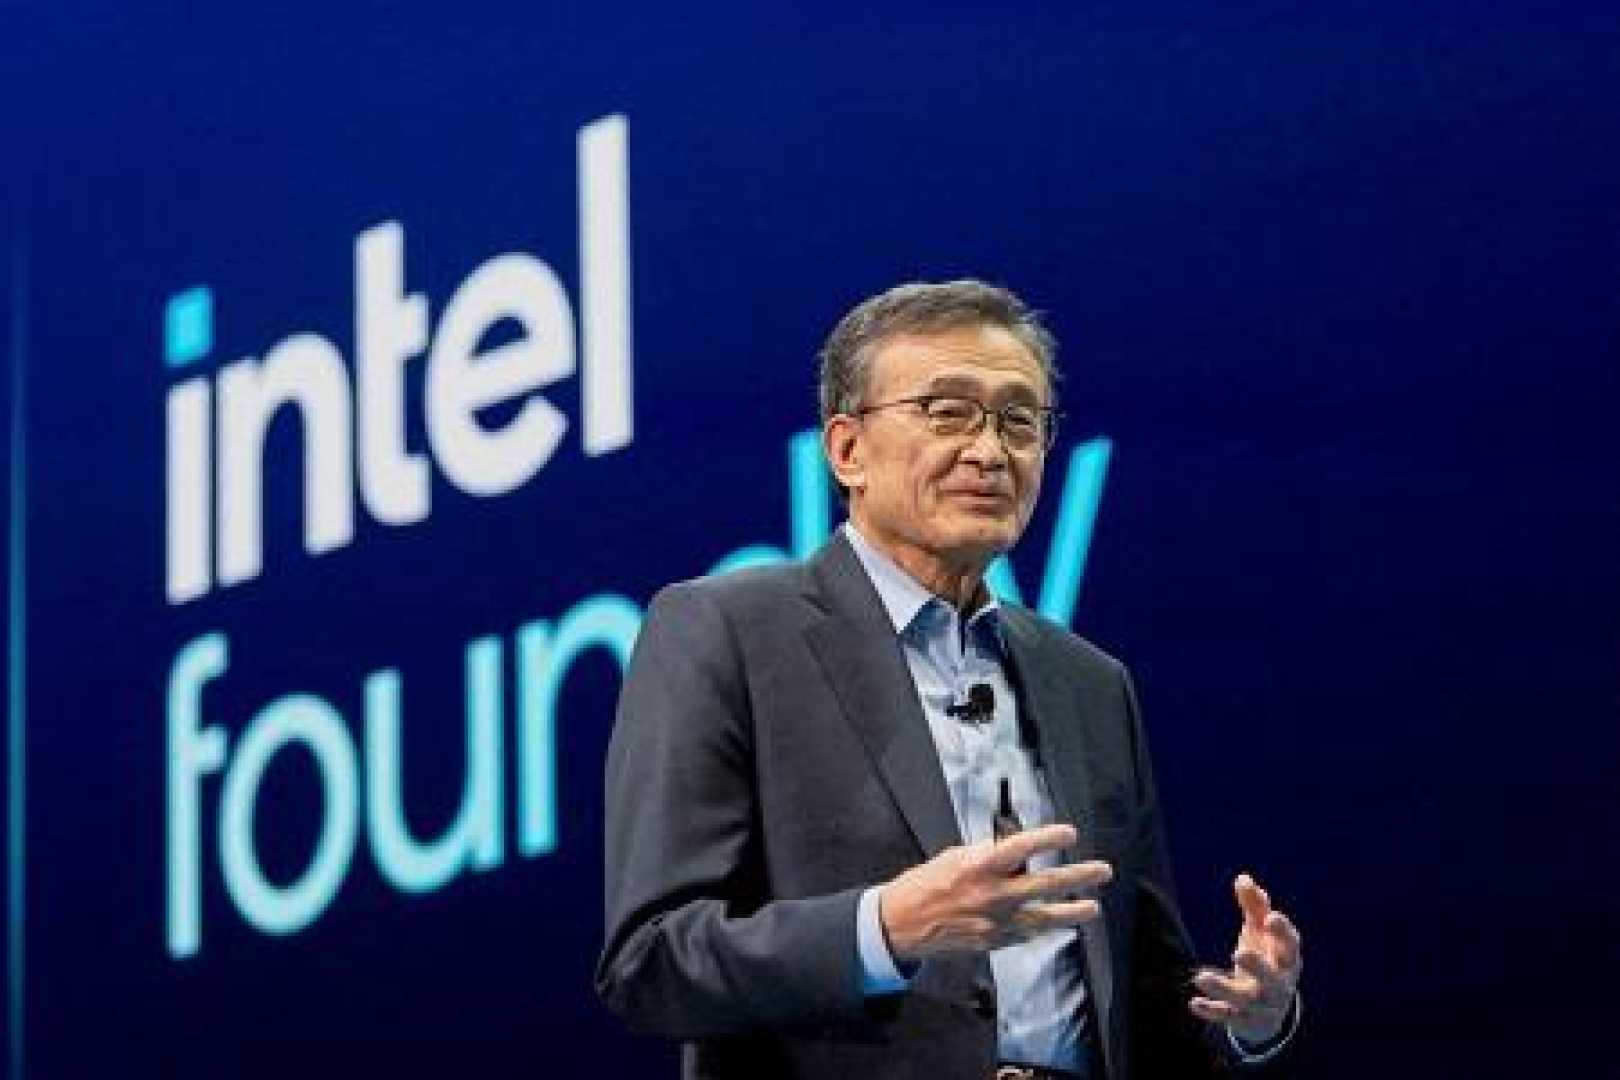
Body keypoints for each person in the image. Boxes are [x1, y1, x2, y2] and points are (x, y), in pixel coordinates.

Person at [596, 281, 1304, 1079]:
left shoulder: (1090, 682)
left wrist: (1247, 1020)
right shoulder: (725, 631)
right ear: (847, 450)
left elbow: (1143, 999)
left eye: (1019, 421)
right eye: (948, 412)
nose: (990, 451)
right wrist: (885, 928)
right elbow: (651, 963)